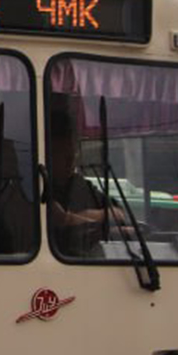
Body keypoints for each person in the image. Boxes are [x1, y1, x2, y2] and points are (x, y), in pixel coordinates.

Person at [45, 98, 128, 257]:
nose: (71, 161)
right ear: (48, 153)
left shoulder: (80, 185)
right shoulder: (39, 187)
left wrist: (79, 218)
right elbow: (59, 220)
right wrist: (95, 217)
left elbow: (118, 213)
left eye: (73, 154)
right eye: (63, 154)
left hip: (87, 259)